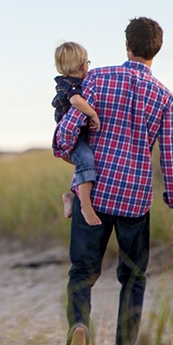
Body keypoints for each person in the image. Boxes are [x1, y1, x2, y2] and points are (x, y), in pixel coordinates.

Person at [52, 17, 173, 345]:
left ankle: (79, 328)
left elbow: (66, 133)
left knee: (82, 274)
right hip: (134, 201)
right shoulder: (165, 97)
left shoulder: (97, 78)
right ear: (156, 50)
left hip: (95, 195)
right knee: (133, 279)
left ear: (127, 46)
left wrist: (67, 149)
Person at [52, 42, 102, 226]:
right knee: (86, 159)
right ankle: (85, 207)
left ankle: (71, 196)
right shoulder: (71, 85)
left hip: (76, 136)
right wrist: (92, 113)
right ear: (83, 65)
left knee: (84, 163)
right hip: (70, 138)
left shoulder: (67, 82)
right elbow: (75, 101)